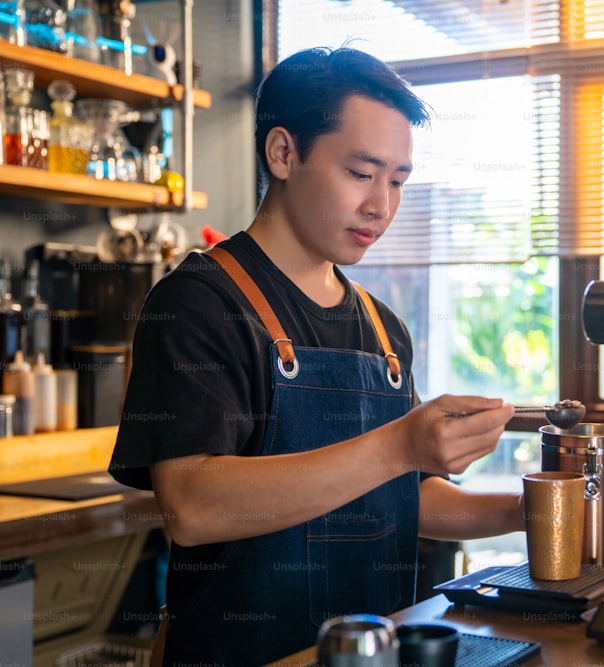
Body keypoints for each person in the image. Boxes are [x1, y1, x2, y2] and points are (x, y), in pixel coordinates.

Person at [108, 45, 523, 665]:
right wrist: (399, 444)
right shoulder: (199, 303)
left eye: (398, 181)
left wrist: (529, 511)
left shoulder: (383, 330)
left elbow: (404, 497)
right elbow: (192, 506)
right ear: (283, 153)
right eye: (360, 173)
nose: (381, 204)